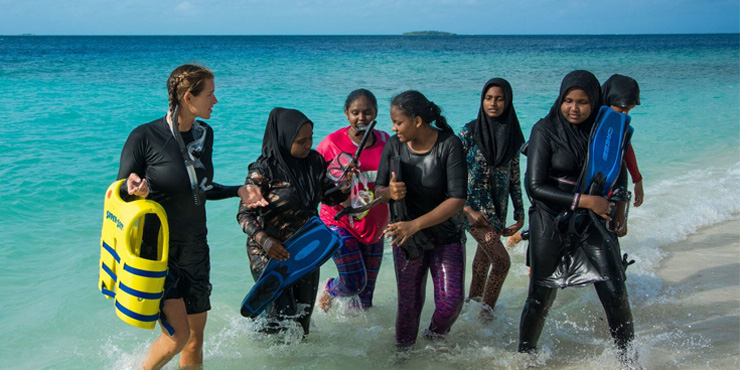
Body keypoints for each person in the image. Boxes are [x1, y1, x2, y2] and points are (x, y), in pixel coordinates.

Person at [118, 64, 250, 370]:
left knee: (195, 340)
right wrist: (134, 189)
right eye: (210, 94)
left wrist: (237, 191)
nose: (215, 101)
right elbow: (120, 191)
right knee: (177, 337)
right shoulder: (145, 136)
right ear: (189, 97)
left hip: (195, 248)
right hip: (159, 251)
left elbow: (199, 189)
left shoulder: (205, 134)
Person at [518, 70, 634, 357]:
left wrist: (621, 208)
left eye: (582, 102)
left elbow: (616, 172)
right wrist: (587, 201)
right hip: (550, 219)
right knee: (540, 298)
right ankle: (525, 356)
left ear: (594, 102)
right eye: (568, 100)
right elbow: (534, 187)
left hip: (592, 221)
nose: (574, 108)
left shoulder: (604, 132)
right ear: (560, 99)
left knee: (615, 288)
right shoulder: (544, 130)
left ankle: (628, 358)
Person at [236, 107, 349, 336]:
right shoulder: (263, 171)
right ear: (284, 139)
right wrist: (266, 242)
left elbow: (330, 196)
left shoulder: (315, 161)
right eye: (301, 141)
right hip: (268, 254)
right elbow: (244, 215)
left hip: (305, 248)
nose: (308, 145)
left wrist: (345, 184)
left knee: (303, 318)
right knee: (283, 317)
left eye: (311, 139)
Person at [375, 90, 468, 348]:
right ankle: (403, 358)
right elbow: (378, 191)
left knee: (451, 303)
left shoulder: (450, 145)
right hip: (406, 239)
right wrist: (388, 193)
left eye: (398, 122)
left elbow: (458, 199)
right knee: (409, 305)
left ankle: (433, 339)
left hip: (446, 234)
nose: (393, 128)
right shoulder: (393, 145)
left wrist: (415, 224)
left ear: (417, 121)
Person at [315, 89, 391, 312]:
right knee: (354, 282)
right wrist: (341, 180)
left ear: (376, 113)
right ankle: (330, 288)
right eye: (355, 112)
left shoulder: (387, 142)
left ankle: (355, 339)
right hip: (338, 220)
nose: (361, 118)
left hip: (374, 224)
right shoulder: (330, 144)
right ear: (346, 113)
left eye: (367, 112)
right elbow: (317, 186)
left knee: (365, 301)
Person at [458, 78, 525, 320]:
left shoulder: (513, 136)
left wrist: (520, 213)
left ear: (507, 101)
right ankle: (486, 314)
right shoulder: (469, 132)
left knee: (483, 262)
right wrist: (466, 209)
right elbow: (449, 171)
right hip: (471, 212)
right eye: (488, 98)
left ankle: (471, 309)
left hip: (498, 210)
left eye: (499, 98)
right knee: (501, 260)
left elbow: (514, 178)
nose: (493, 103)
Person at [601, 74, 644, 236]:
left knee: (616, 230)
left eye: (629, 110)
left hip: (614, 183)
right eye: (622, 109)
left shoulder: (620, 122)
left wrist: (637, 180)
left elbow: (626, 150)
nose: (625, 114)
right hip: (588, 189)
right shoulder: (591, 121)